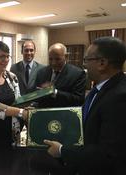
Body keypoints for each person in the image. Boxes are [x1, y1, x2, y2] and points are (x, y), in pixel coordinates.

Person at [44, 36, 126, 175]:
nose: (84, 65)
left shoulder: (119, 97)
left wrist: (62, 150)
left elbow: (108, 153)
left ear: (102, 63)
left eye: (87, 60)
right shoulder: (101, 89)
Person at [35, 43, 86, 108]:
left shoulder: (78, 74)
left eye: (57, 59)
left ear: (66, 57)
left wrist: (55, 92)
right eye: (50, 59)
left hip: (64, 115)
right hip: (43, 115)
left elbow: (79, 100)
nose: (53, 63)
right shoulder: (41, 72)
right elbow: (37, 96)